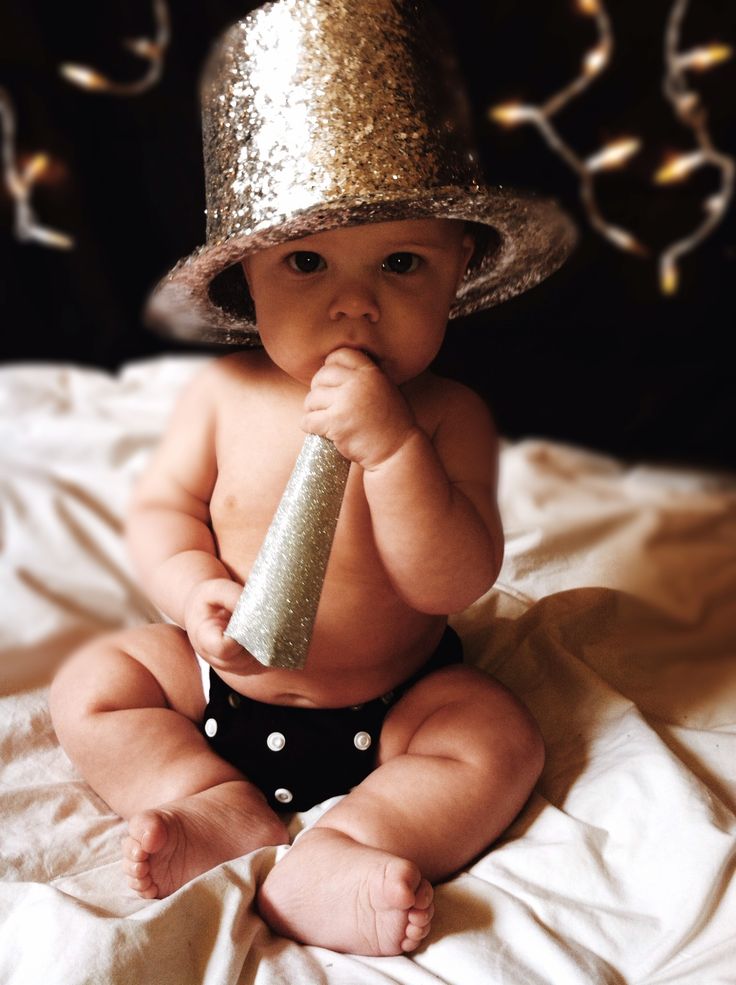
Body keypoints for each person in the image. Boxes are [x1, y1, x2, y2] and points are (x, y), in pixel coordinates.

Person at [49, 0, 574, 957]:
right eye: (305, 261)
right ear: (246, 278)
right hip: (221, 682)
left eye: (403, 263)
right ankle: (208, 803)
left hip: (396, 702)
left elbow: (451, 583)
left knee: (498, 738)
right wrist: (196, 591)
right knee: (93, 680)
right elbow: (165, 511)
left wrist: (395, 452)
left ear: (458, 272)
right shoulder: (223, 394)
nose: (353, 302)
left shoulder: (448, 415)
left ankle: (354, 843)